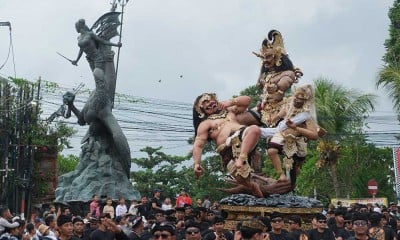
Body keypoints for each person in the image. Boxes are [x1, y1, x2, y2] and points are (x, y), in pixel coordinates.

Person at [192, 93, 263, 197]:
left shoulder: (230, 111)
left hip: (242, 137)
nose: (210, 102)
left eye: (211, 100)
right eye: (205, 102)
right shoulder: (205, 124)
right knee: (244, 182)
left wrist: (230, 102)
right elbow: (198, 145)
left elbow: (247, 100)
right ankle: (259, 196)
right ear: (201, 109)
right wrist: (197, 163)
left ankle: (241, 158)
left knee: (255, 130)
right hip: (226, 150)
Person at [264, 84, 319, 182]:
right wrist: (273, 118)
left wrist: (296, 128)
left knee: (294, 169)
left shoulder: (307, 115)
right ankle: (281, 175)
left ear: (306, 101)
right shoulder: (289, 104)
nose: (297, 100)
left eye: (301, 99)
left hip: (296, 142)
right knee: (271, 151)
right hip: (280, 134)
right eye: (296, 97)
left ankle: (292, 181)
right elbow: (281, 113)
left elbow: (314, 136)